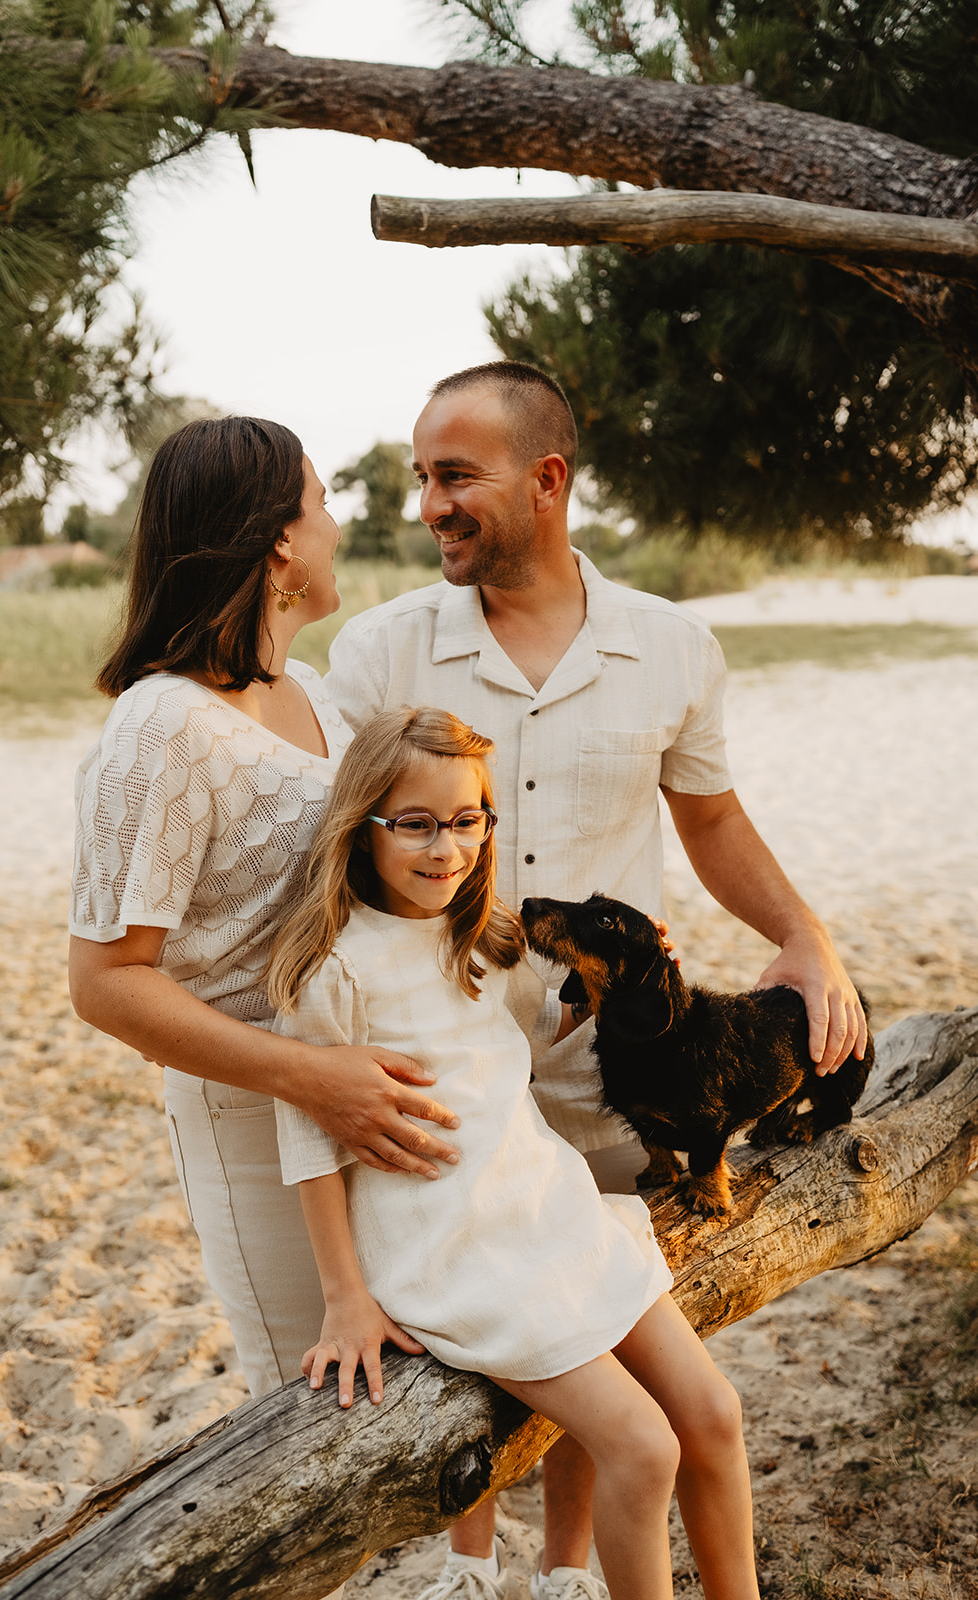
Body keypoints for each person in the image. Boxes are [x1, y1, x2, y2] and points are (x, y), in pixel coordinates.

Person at [325, 361, 868, 1600]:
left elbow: (713, 822)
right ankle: (471, 1573)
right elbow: (333, 849)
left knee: (585, 1323)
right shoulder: (377, 650)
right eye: (421, 476)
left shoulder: (670, 647)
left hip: (600, 1072)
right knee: (480, 1369)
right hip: (448, 1080)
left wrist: (804, 935)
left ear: (547, 479)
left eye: (453, 475)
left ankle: (566, 1573)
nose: (429, 503)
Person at [266, 705, 761, 1600]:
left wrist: (638, 972)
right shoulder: (334, 968)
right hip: (455, 1244)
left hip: (544, 1207)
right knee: (642, 1446)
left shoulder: (485, 936)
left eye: (466, 820)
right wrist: (345, 1299)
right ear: (361, 827)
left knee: (713, 1415)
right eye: (413, 824)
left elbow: (525, 1038)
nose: (444, 848)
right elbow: (305, 1137)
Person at [68, 415, 463, 1412]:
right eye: (323, 501)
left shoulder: (320, 700)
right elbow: (107, 982)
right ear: (280, 539)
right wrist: (315, 1078)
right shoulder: (159, 725)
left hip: (368, 1106)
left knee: (428, 1391)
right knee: (314, 1427)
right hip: (258, 1126)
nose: (337, 525)